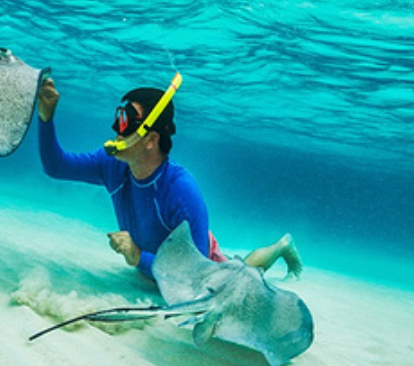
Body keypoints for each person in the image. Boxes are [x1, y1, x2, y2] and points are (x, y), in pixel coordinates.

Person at [37, 77, 302, 280]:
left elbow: (195, 275)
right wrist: (46, 116)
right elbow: (56, 166)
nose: (117, 131)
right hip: (160, 269)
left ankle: (281, 246)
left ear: (151, 140)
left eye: (126, 122)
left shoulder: (181, 190)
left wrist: (138, 256)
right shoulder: (111, 164)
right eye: (119, 118)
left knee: (242, 273)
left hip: (199, 267)